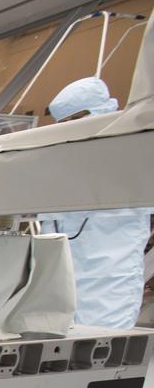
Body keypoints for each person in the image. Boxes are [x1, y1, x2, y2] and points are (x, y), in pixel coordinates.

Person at [38, 76, 154, 329]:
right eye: (62, 122)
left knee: (102, 346)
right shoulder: (60, 164)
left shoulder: (134, 157)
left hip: (110, 284)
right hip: (60, 282)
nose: (68, 128)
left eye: (74, 119)